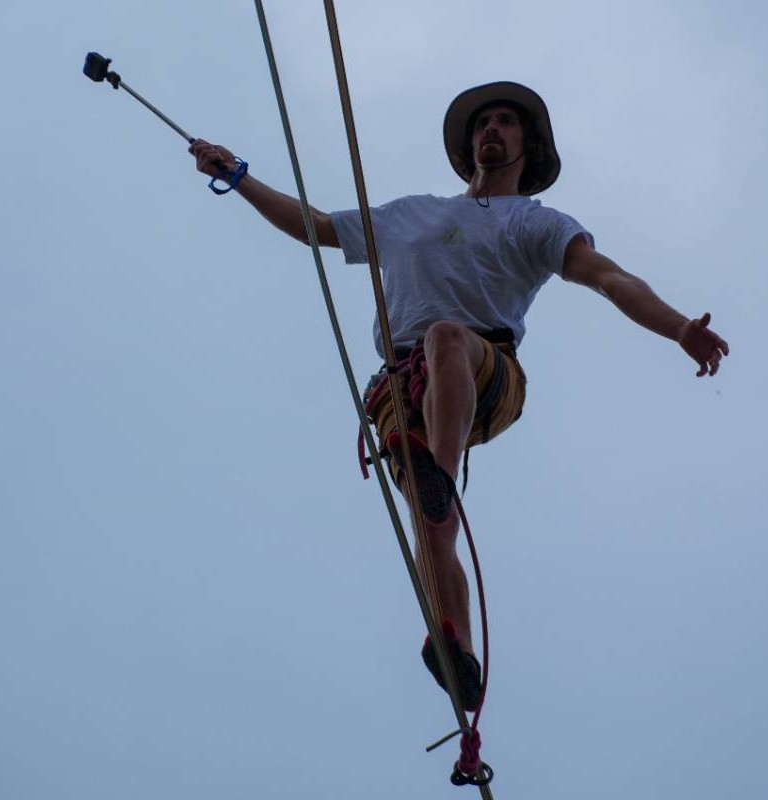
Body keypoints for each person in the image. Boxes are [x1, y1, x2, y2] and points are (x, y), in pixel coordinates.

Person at [188, 81, 729, 710]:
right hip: (399, 386)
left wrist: (679, 327)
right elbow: (316, 226)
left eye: (505, 122)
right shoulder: (411, 214)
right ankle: (459, 651)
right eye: (482, 124)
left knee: (447, 341)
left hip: (486, 369)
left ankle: (440, 478)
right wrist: (239, 176)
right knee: (429, 521)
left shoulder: (537, 222)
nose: (490, 130)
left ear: (530, 144)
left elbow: (611, 278)